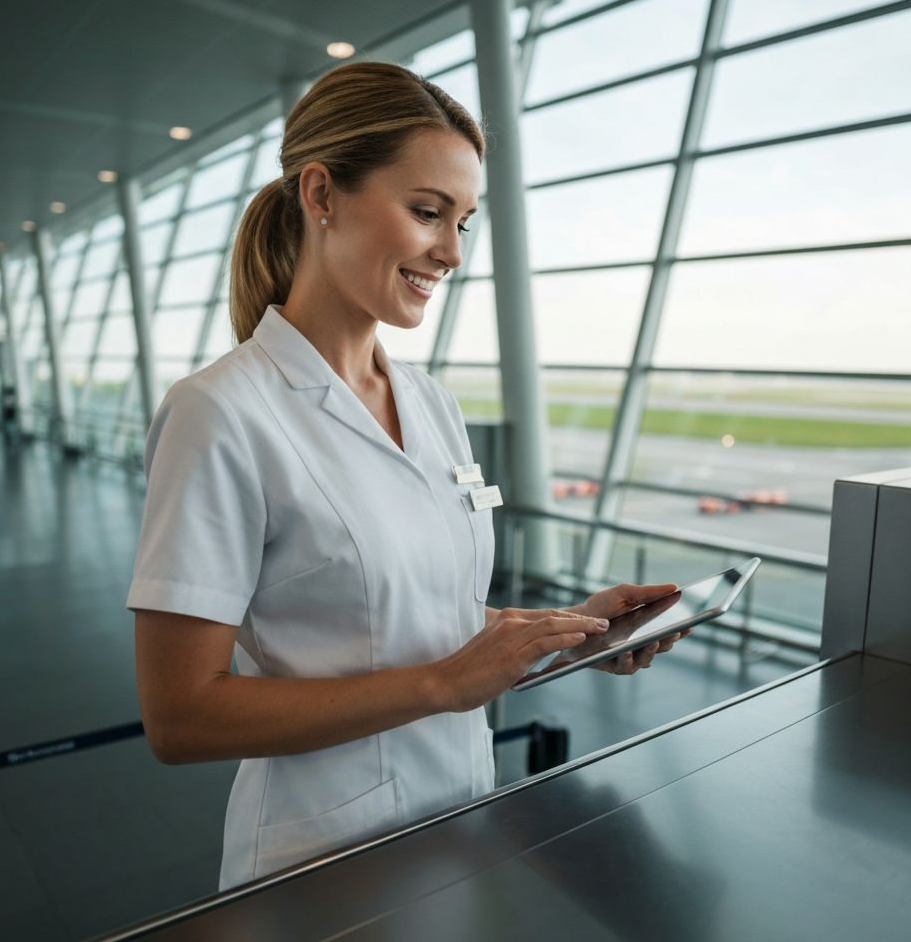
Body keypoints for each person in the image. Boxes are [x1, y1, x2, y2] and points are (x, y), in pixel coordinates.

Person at [127, 61, 685, 891]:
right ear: (321, 195)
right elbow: (181, 716)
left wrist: (562, 638)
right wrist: (441, 685)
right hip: (321, 857)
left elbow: (420, 611)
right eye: (427, 212)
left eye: (464, 221)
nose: (451, 252)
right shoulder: (221, 412)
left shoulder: (430, 403)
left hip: (457, 821)